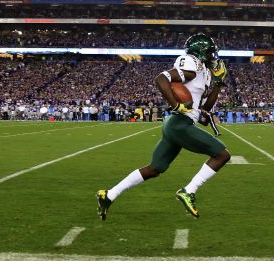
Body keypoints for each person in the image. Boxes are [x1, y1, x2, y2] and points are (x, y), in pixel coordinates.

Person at [97, 34, 231, 220]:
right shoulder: (191, 63)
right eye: (209, 52)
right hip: (179, 123)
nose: (212, 55)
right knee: (222, 155)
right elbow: (162, 78)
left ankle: (109, 195)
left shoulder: (205, 73)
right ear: (200, 52)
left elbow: (205, 110)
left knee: (155, 168)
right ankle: (189, 191)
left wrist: (218, 84)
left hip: (179, 124)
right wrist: (175, 104)